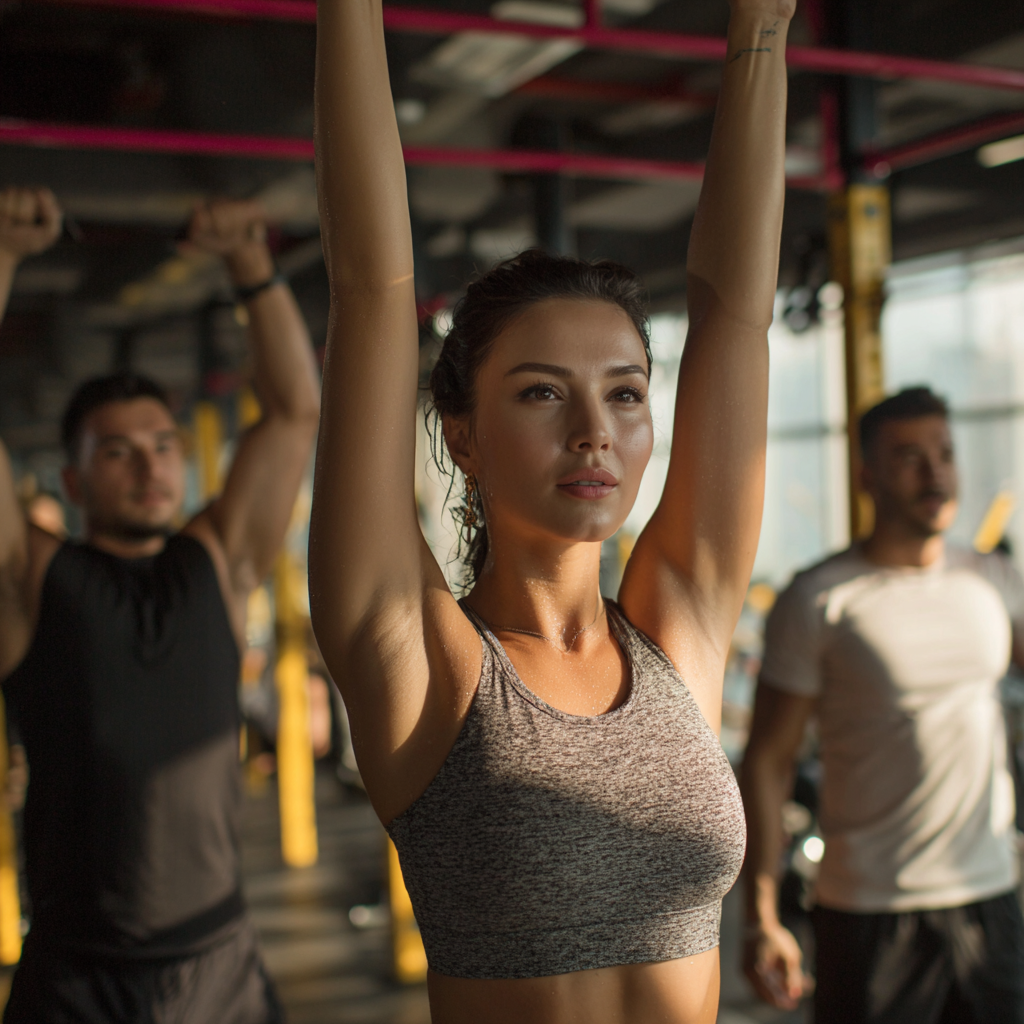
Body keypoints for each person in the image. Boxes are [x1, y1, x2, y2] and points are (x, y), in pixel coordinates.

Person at [308, 0, 791, 1019]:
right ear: (461, 436)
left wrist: (761, 27)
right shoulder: (421, 661)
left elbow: (736, 315)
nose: (595, 431)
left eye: (623, 392)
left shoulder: (680, 630)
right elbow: (370, 291)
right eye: (540, 391)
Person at [0, 187, 321, 1023]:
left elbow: (294, 411)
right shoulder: (30, 581)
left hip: (219, 968)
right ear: (72, 483)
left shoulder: (217, 562)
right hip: (78, 978)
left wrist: (251, 261)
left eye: (162, 447)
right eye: (117, 452)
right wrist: (0, 258)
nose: (149, 469)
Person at [741, 386, 1024, 1023]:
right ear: (867, 474)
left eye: (945, 453)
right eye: (909, 457)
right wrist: (760, 914)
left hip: (990, 901)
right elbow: (767, 760)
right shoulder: (819, 600)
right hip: (868, 913)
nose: (936, 472)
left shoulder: (995, 583)